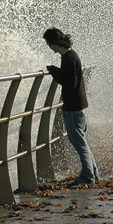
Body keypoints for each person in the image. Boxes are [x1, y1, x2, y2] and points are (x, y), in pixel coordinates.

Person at [43, 27, 98, 186]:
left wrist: (55, 72)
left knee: (79, 142)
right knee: (82, 141)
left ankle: (88, 175)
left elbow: (70, 83)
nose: (49, 47)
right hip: (78, 105)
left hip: (73, 107)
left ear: (53, 44)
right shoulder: (71, 55)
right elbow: (71, 78)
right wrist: (58, 71)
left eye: (49, 44)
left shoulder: (68, 58)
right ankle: (93, 172)